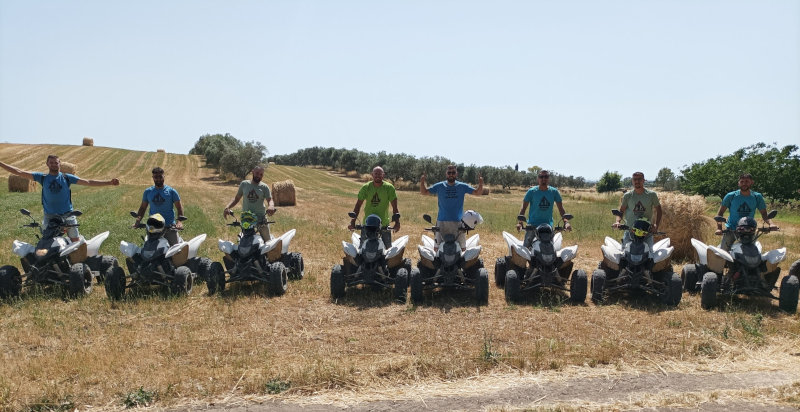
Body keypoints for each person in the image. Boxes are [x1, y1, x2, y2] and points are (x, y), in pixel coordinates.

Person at [0, 155, 119, 241]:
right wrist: (1, 163)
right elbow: (18, 171)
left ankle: (78, 266)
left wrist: (109, 182)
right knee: (47, 242)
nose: (54, 164)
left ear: (60, 164)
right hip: (50, 216)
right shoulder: (42, 177)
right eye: (51, 162)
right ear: (47, 164)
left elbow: (88, 182)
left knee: (75, 241)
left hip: (68, 214)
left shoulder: (67, 177)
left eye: (56, 162)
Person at [419, 165, 483, 249]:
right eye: (449, 173)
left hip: (459, 223)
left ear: (456, 174)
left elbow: (477, 193)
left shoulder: (462, 186)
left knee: (462, 248)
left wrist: (481, 183)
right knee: (437, 248)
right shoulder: (439, 186)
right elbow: (424, 192)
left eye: (453, 172)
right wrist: (422, 182)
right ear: (446, 174)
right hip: (442, 222)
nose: (451, 174)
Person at [715, 173, 778, 251]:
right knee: (723, 253)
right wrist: (719, 228)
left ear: (752, 182)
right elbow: (720, 213)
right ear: (738, 183)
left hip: (749, 231)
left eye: (747, 181)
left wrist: (771, 224)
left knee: (753, 253)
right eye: (742, 181)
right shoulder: (731, 196)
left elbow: (764, 214)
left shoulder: (757, 197)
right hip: (731, 230)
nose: (744, 183)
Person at [516, 170, 571, 248]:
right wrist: (520, 222)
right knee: (525, 250)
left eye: (546, 177)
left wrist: (566, 222)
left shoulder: (554, 192)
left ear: (549, 179)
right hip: (532, 226)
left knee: (550, 250)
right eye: (541, 177)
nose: (543, 179)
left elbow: (561, 209)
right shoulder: (531, 192)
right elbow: (523, 208)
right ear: (538, 179)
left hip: (547, 227)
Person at [348, 166, 400, 248]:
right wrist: (352, 222)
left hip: (384, 225)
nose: (378, 176)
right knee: (362, 250)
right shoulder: (366, 187)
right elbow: (358, 205)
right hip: (367, 225)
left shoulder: (389, 188)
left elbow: (395, 208)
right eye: (375, 174)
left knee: (388, 251)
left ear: (383, 175)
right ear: (372, 174)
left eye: (380, 174)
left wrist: (397, 222)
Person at [223, 165, 275, 240]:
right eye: (257, 173)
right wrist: (227, 207)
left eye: (261, 174)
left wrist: (271, 206)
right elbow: (236, 198)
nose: (259, 176)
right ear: (252, 172)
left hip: (261, 219)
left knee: (267, 242)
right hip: (246, 219)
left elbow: (270, 200)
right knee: (245, 243)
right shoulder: (244, 184)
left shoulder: (264, 187)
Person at [134, 167, 184, 245]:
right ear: (152, 178)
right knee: (151, 250)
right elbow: (143, 208)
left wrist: (179, 222)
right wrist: (138, 220)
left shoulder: (171, 192)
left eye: (160, 177)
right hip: (153, 227)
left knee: (175, 250)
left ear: (164, 176)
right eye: (155, 177)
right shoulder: (148, 192)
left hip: (169, 227)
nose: (158, 179)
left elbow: (179, 208)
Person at [612, 171, 662, 248]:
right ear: (632, 181)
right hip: (630, 231)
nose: (637, 181)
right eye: (634, 179)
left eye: (639, 179)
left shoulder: (652, 195)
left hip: (646, 232)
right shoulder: (627, 196)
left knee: (650, 256)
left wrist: (656, 226)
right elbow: (621, 211)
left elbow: (659, 210)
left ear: (644, 180)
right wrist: (617, 222)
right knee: (623, 256)